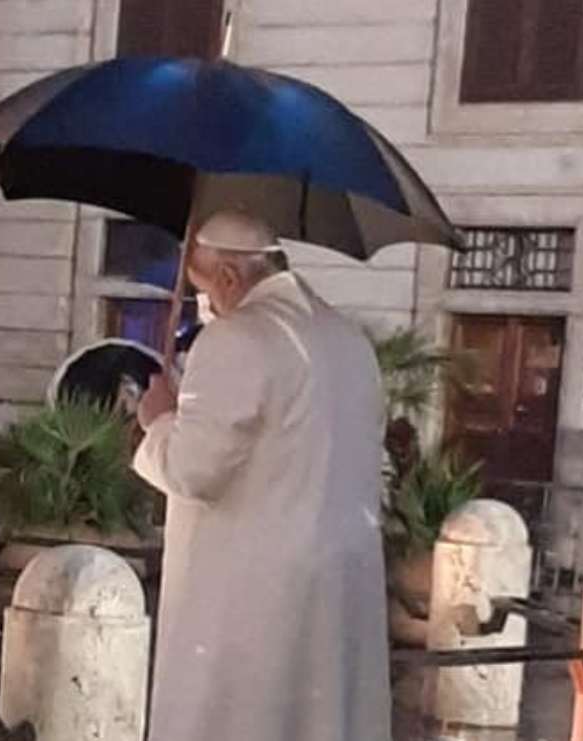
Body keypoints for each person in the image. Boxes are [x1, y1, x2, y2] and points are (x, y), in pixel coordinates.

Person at [133, 211, 392, 741]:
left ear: (228, 278)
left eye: (201, 285)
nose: (202, 302)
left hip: (251, 600)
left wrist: (158, 419)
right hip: (338, 586)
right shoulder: (349, 340)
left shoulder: (236, 337)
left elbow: (194, 470)